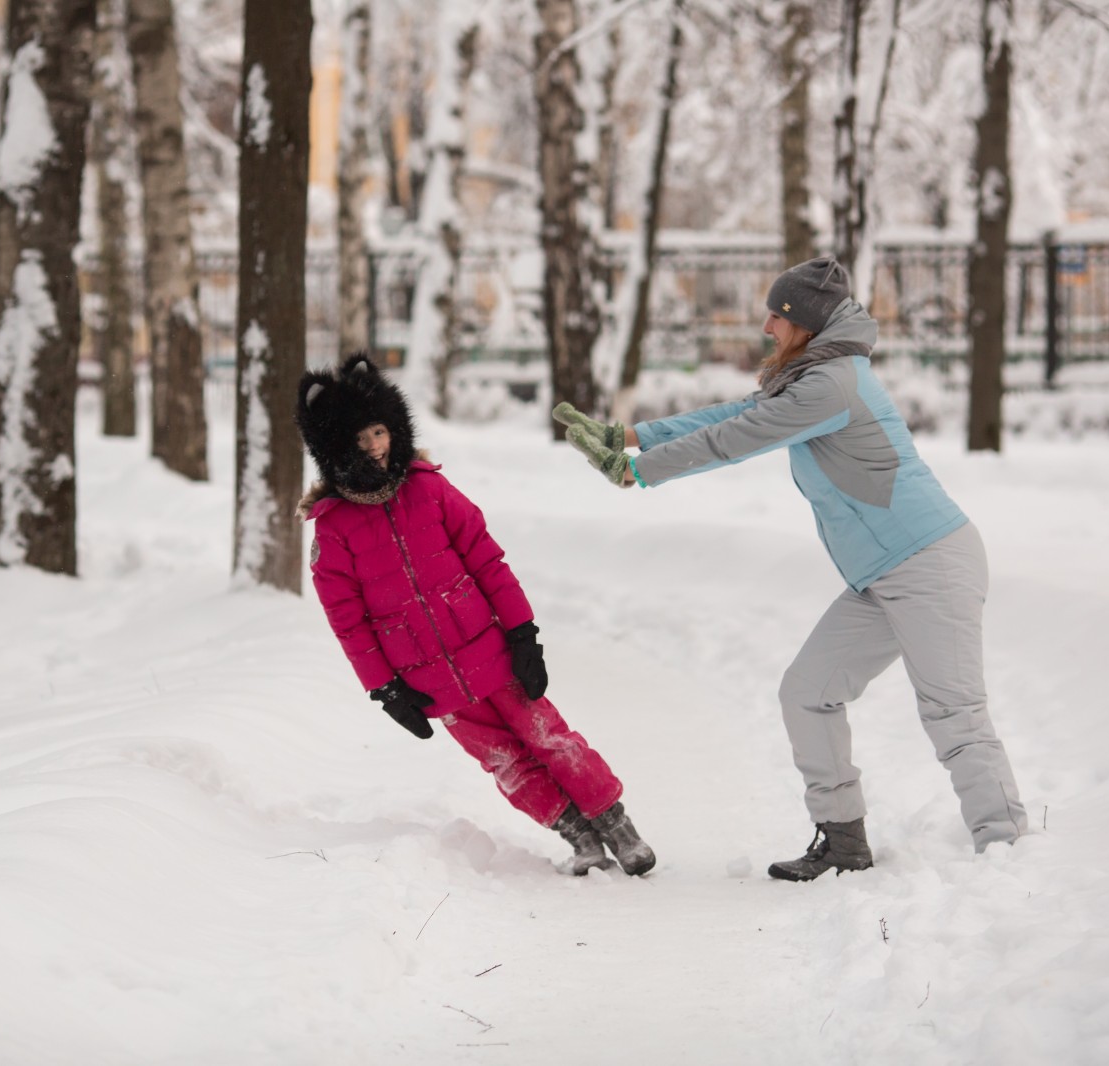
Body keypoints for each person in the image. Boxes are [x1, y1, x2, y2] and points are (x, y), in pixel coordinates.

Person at [555, 256, 1027, 881]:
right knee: (807, 693)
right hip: (883, 573)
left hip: (928, 563)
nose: (766, 328)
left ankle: (1010, 858)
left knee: (954, 714)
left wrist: (636, 472)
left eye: (776, 316)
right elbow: (730, 416)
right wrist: (631, 437)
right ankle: (843, 841)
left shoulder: (832, 386)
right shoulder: (814, 375)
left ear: (804, 322)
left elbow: (738, 438)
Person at [296, 354, 656, 876]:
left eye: (379, 431)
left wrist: (521, 631)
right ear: (334, 449)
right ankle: (577, 833)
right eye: (359, 438)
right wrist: (386, 688)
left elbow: (488, 562)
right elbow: (348, 622)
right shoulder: (333, 530)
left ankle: (615, 823)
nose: (374, 445)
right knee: (505, 762)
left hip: (492, 655)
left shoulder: (430, 489)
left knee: (551, 739)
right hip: (429, 680)